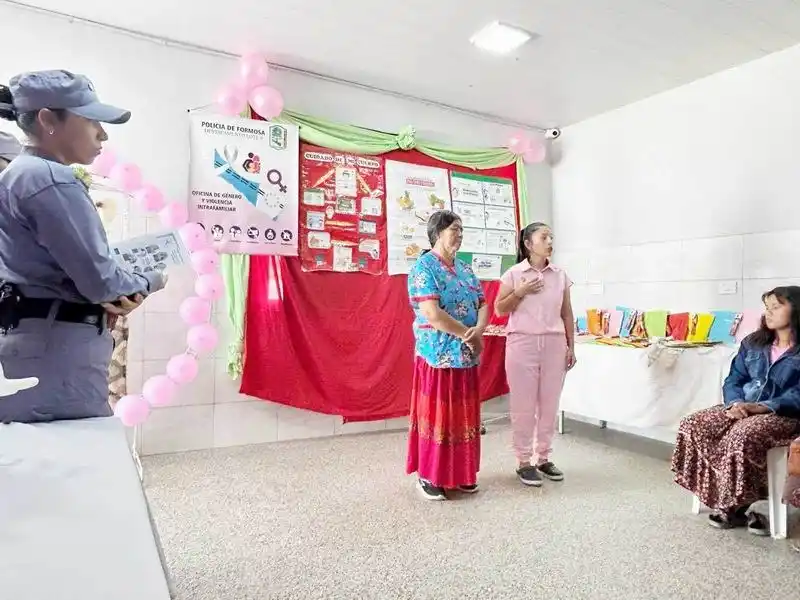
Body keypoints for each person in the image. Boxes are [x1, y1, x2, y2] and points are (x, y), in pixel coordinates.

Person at [0, 70, 166, 423]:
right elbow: (102, 283)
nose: (102, 134)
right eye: (91, 121)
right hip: (57, 354)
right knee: (73, 450)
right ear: (48, 120)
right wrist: (151, 279)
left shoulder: (19, 175)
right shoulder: (49, 179)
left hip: (33, 342)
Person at [672, 286, 800, 535]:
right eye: (767, 307)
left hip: (784, 414)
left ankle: (746, 506)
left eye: (776, 307)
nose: (768, 313)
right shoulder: (753, 343)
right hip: (743, 406)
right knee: (694, 423)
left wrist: (763, 407)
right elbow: (734, 380)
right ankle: (720, 496)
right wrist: (735, 403)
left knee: (744, 434)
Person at [406, 210, 488, 500]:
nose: (460, 234)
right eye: (455, 229)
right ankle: (430, 475)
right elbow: (432, 313)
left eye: (462, 229)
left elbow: (482, 303)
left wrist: (478, 331)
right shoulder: (423, 268)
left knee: (463, 417)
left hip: (466, 355)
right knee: (439, 417)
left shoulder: (465, 269)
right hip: (438, 355)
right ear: (437, 233)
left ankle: (461, 474)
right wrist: (468, 335)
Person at [494, 222, 576, 487]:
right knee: (524, 406)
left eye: (551, 237)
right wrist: (521, 292)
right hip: (522, 344)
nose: (550, 241)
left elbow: (566, 313)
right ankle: (523, 461)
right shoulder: (514, 274)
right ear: (528, 244)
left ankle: (543, 457)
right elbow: (499, 309)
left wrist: (571, 346)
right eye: (544, 237)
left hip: (554, 344)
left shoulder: (560, 275)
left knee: (549, 405)